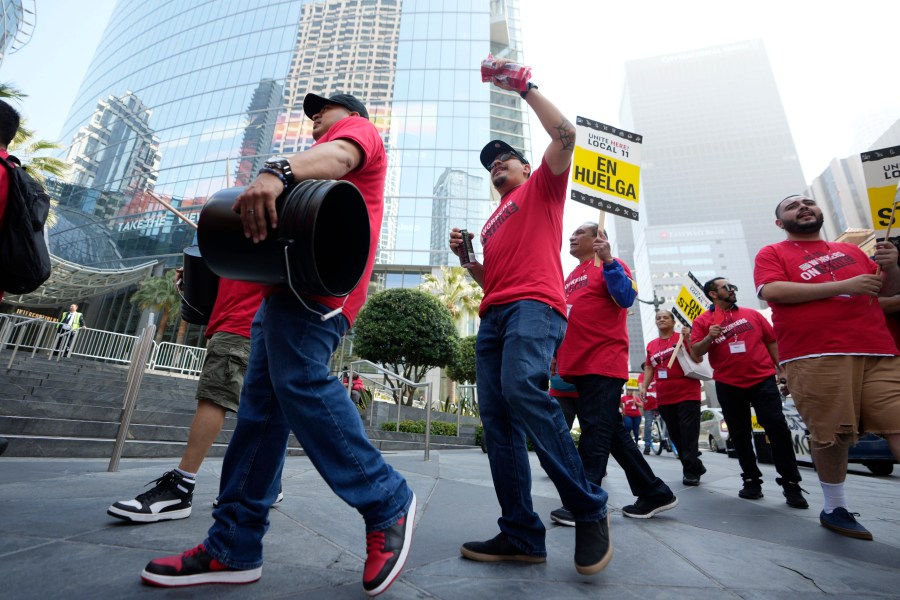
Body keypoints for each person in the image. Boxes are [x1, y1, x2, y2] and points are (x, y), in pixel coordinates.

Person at [141, 92, 416, 597]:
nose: (314, 122)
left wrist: (275, 170)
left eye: (322, 113)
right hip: (282, 291)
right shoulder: (314, 156)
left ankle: (386, 498)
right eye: (310, 116)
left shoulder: (357, 135)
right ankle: (233, 546)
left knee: (300, 382)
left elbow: (339, 157)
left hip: (318, 293)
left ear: (350, 115)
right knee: (260, 416)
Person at [449, 64, 611, 576]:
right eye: (490, 164)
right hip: (495, 315)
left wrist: (525, 88)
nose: (497, 164)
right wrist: (468, 260)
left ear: (525, 166)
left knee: (523, 389)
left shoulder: (543, 186)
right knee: (497, 423)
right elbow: (491, 280)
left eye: (506, 159)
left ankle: (588, 506)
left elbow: (567, 135)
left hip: (535, 308)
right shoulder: (491, 220)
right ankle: (520, 532)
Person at [754, 194, 900, 540]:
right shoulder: (772, 253)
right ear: (780, 223)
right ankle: (835, 507)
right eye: (791, 206)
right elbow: (771, 291)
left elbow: (882, 297)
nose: (803, 207)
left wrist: (892, 266)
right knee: (832, 434)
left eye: (808, 202)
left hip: (878, 351)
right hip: (815, 354)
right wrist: (843, 286)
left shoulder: (852, 253)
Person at [107, 276, 269, 522]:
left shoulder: (241, 238)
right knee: (262, 410)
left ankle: (180, 489)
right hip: (259, 325)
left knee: (213, 399)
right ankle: (267, 485)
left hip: (239, 324)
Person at [551, 223, 677, 525]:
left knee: (595, 430)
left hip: (602, 361)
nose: (572, 236)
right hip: (577, 364)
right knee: (612, 431)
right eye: (572, 234)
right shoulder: (571, 276)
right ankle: (654, 491)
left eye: (580, 233)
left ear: (599, 238)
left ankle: (586, 501)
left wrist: (608, 260)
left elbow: (625, 297)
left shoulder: (612, 265)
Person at [689, 277, 807, 507]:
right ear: (713, 294)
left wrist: (782, 369)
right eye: (726, 287)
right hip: (728, 384)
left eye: (732, 286)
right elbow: (696, 353)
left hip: (762, 380)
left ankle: (791, 484)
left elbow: (772, 341)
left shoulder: (752, 314)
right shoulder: (703, 321)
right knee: (740, 434)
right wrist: (708, 338)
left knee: (777, 427)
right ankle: (751, 481)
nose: (732, 290)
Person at [639, 310, 705, 486]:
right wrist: (644, 387)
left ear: (673, 321)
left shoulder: (682, 337)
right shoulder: (652, 345)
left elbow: (698, 359)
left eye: (665, 317)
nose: (661, 319)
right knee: (675, 435)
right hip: (665, 395)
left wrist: (689, 338)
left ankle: (690, 471)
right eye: (658, 318)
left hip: (687, 392)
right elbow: (649, 368)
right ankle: (696, 464)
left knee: (688, 433)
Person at [638, 366, 658, 455]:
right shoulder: (642, 376)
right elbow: (640, 387)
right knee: (648, 425)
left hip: (660, 403)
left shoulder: (657, 374)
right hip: (649, 405)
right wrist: (642, 391)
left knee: (666, 423)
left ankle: (666, 442)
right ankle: (647, 446)